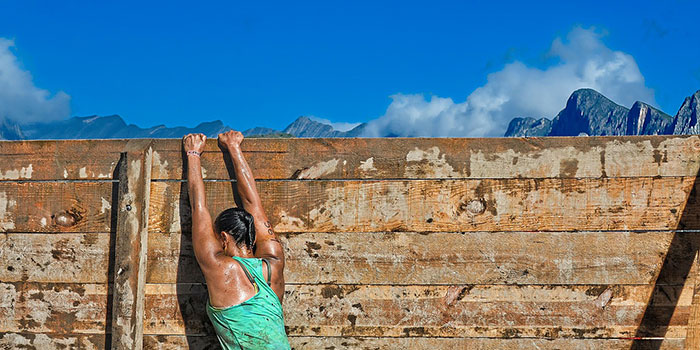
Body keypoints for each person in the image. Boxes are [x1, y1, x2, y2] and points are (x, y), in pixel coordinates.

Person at [183, 131, 290, 350]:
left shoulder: (219, 267)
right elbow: (254, 205)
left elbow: (199, 207)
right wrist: (234, 147)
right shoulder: (274, 262)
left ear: (223, 237)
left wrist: (193, 154)